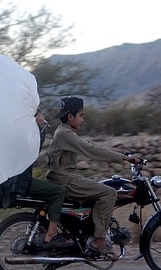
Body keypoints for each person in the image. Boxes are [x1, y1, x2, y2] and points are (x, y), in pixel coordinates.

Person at [46, 97, 139, 259]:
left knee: (98, 190)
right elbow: (91, 150)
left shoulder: (65, 132)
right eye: (81, 115)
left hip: (63, 178)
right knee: (109, 193)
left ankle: (88, 234)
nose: (83, 119)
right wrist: (124, 158)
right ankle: (99, 240)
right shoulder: (65, 134)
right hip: (64, 180)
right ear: (70, 117)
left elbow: (92, 146)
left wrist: (122, 155)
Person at [0, 111, 71, 248]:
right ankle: (52, 234)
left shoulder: (14, 132)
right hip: (19, 182)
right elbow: (33, 149)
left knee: (48, 188)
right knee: (59, 192)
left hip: (11, 181)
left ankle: (43, 230)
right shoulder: (25, 135)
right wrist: (40, 127)